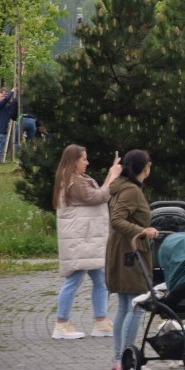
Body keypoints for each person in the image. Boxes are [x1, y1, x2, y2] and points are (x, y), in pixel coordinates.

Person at [52, 145, 122, 339]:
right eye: (84, 159)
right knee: (74, 280)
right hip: (81, 241)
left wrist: (110, 174)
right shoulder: (75, 182)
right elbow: (99, 197)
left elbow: (100, 194)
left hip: (85, 241)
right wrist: (113, 175)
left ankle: (100, 322)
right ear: (75, 161)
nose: (87, 162)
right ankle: (61, 324)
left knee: (100, 279)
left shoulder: (76, 179)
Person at [106, 149, 157, 370]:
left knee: (126, 306)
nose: (151, 167)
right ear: (142, 168)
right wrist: (143, 231)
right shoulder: (131, 191)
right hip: (130, 253)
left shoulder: (123, 187)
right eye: (149, 164)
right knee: (136, 307)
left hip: (124, 251)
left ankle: (119, 359)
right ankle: (125, 358)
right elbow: (117, 219)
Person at [0, 87, 15, 162]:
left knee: (4, 144)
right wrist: (12, 91)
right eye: (1, 96)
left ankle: (2, 159)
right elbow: (5, 100)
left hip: (6, 127)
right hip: (1, 128)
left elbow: (10, 106)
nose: (3, 97)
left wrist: (11, 100)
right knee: (1, 145)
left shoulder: (4, 106)